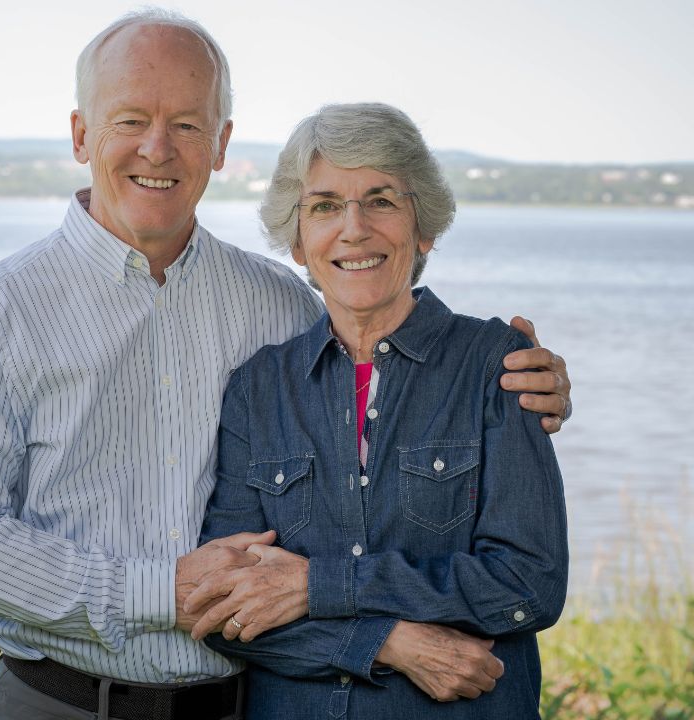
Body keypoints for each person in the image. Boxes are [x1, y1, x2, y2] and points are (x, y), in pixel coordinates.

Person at [0, 9, 573, 720]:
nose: (157, 149)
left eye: (188, 125)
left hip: (234, 704)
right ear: (80, 134)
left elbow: (378, 331)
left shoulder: (278, 307)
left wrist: (528, 383)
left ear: (222, 143)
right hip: (60, 702)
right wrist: (162, 592)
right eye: (130, 120)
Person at [189, 102, 567, 719]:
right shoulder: (258, 389)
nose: (354, 228)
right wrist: (389, 642)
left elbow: (529, 586)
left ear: (424, 229)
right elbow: (230, 600)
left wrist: (317, 587)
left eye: (382, 200)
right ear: (298, 240)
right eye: (325, 205)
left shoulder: (496, 365)